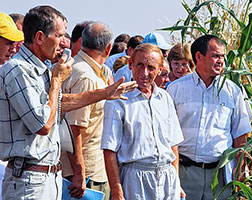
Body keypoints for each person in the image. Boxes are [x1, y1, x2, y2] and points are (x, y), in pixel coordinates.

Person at [0, 6, 137, 200]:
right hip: (30, 180)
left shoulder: (41, 67)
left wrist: (105, 93)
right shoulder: (18, 70)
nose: (64, 43)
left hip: (47, 177)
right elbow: (43, 124)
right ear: (40, 37)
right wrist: (56, 81)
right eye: (59, 35)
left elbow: (59, 103)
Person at [167, 34, 252, 200]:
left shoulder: (232, 91)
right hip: (185, 172)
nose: (221, 61)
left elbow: (241, 133)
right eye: (215, 56)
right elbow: (168, 135)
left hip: (220, 175)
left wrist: (241, 167)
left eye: (222, 56)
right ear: (199, 56)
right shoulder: (176, 90)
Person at [101, 43, 185, 200]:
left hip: (167, 178)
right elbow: (109, 150)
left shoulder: (164, 98)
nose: (144, 73)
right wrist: (117, 191)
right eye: (139, 65)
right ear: (131, 64)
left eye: (151, 67)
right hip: (135, 180)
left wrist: (176, 181)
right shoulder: (118, 101)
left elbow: (173, 144)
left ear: (160, 70)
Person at [61, 22, 113, 200]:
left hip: (86, 170)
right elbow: (74, 129)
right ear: (108, 49)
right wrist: (79, 172)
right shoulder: (86, 77)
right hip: (86, 175)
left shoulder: (83, 69)